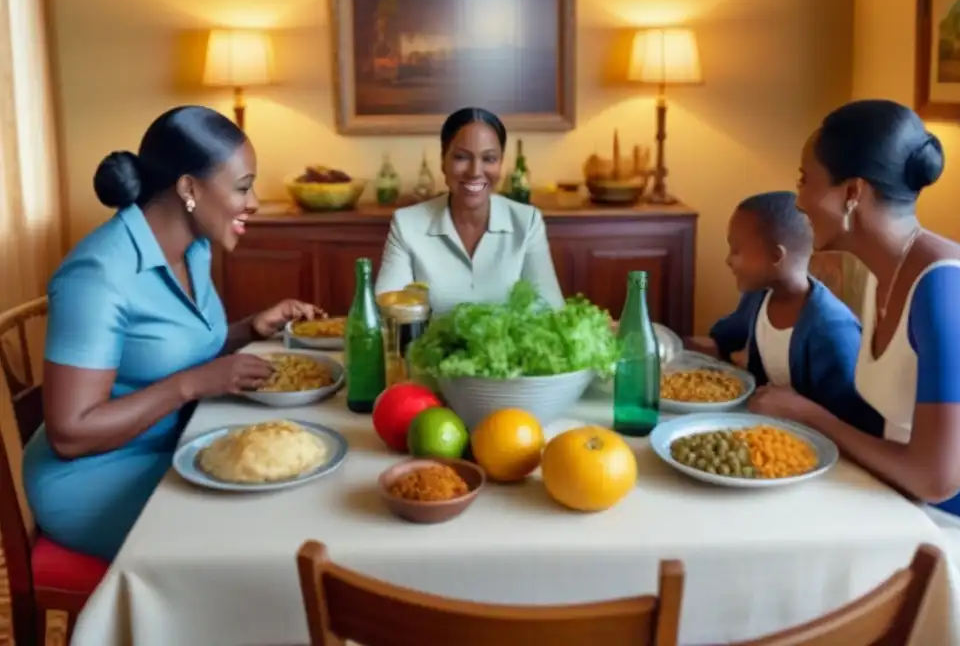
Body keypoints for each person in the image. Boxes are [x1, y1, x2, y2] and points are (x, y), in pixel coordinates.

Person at [749, 99, 960, 642]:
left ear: (852, 193)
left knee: (818, 590)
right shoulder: (885, 274)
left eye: (806, 180)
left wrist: (813, 416)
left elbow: (936, 477)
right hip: (926, 508)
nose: (799, 198)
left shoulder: (947, 292)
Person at [22, 105, 323, 562]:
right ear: (188, 188)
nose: (255, 202)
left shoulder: (195, 248)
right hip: (91, 477)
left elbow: (167, 353)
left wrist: (248, 329)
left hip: (174, 443)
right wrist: (192, 385)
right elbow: (70, 433)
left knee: (294, 491)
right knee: (259, 535)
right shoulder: (97, 275)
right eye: (243, 187)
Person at [702, 191, 883, 435]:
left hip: (817, 449)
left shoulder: (831, 329)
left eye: (736, 250)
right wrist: (668, 344)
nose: (728, 260)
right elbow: (723, 339)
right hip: (764, 432)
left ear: (776, 256)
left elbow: (853, 422)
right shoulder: (759, 297)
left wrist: (798, 409)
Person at [375, 107, 564, 313]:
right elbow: (388, 310)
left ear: (501, 163)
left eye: (489, 159)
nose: (475, 172)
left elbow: (550, 308)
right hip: (429, 346)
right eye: (461, 157)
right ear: (443, 162)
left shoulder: (527, 221)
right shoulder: (406, 224)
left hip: (509, 346)